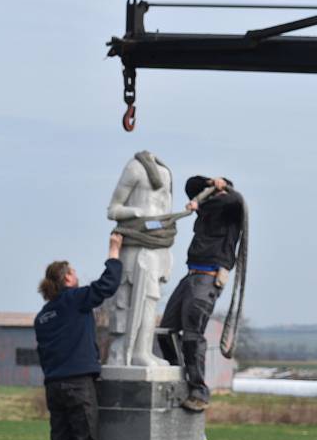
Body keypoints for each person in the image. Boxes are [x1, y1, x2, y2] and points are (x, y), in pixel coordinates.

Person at [34, 233, 123, 440]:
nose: (77, 276)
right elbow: (106, 286)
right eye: (73, 272)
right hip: (78, 384)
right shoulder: (73, 300)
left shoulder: (43, 316)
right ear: (67, 280)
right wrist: (114, 251)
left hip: (54, 386)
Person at [157, 175, 244, 412]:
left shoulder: (230, 210)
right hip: (191, 275)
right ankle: (178, 377)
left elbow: (236, 201)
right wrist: (208, 184)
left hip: (209, 276)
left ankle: (198, 391)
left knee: (192, 333)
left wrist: (224, 187)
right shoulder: (207, 207)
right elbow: (191, 185)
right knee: (165, 330)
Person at [104, 151, 173, 367]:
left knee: (150, 300)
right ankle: (123, 354)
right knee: (129, 300)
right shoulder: (134, 168)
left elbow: (165, 213)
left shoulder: (166, 173)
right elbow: (113, 210)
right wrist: (136, 212)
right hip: (134, 246)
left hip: (157, 246)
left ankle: (143, 351)